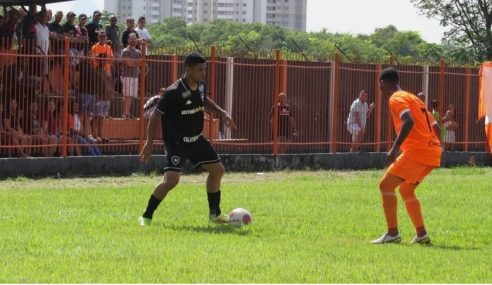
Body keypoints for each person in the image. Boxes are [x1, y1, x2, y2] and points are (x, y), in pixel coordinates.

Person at [138, 52, 236, 226]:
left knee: (218, 170)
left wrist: (223, 113)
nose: (203, 73)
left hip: (196, 140)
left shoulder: (200, 86)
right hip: (177, 143)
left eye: (204, 69)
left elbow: (203, 100)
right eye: (200, 70)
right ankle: (146, 216)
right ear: (188, 69)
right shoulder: (173, 92)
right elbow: (154, 117)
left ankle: (214, 214)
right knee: (171, 181)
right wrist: (149, 143)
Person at [372, 68, 442, 245]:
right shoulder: (414, 98)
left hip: (417, 151)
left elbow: (408, 120)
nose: (380, 91)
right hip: (432, 152)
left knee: (385, 185)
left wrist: (394, 148)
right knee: (406, 189)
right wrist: (436, 147)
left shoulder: (395, 98)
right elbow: (437, 128)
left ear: (383, 83)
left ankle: (392, 233)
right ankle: (421, 235)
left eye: (380, 86)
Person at [121, 32, 141, 118]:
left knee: (131, 96)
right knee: (127, 95)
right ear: (128, 40)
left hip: (135, 76)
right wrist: (135, 62)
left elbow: (140, 63)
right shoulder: (125, 51)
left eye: (134, 38)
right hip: (127, 76)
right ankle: (125, 113)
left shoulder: (139, 52)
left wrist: (134, 62)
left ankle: (128, 113)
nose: (133, 40)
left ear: (136, 40)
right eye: (131, 38)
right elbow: (128, 63)